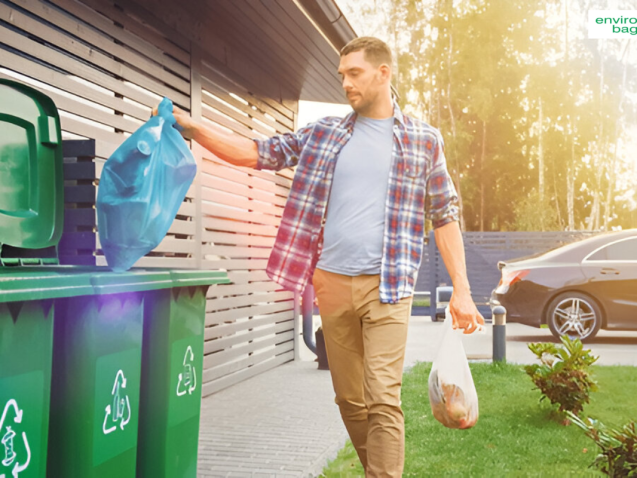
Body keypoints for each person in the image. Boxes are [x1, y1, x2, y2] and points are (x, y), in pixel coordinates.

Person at [153, 36, 484, 477]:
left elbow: (445, 215)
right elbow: (259, 153)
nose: (345, 83)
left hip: (389, 287)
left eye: (355, 73)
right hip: (331, 282)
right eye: (341, 74)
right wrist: (195, 129)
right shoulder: (325, 133)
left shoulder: (424, 140)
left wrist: (462, 289)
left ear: (383, 74)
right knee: (350, 399)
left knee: (382, 396)